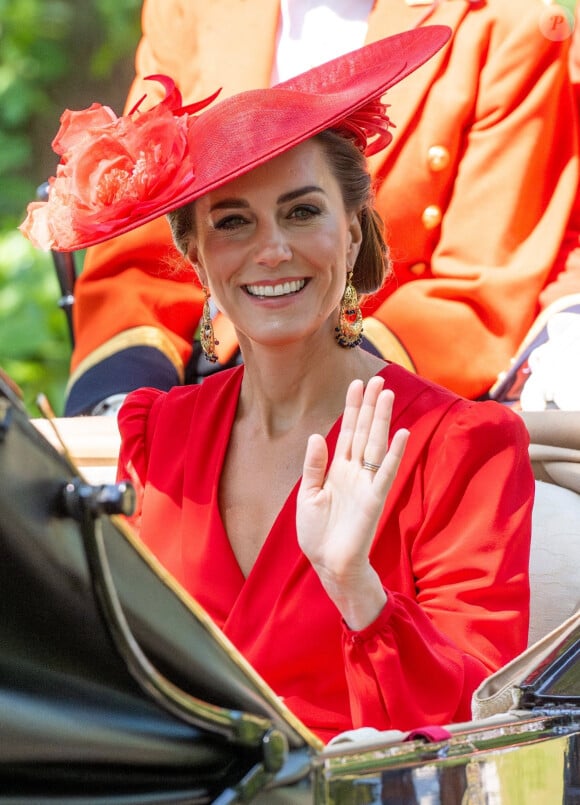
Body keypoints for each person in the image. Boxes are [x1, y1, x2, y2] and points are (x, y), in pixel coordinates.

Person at [21, 28, 535, 743]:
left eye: (302, 211)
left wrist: (357, 588)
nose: (272, 249)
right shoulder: (159, 434)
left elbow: (483, 729)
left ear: (353, 232)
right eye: (234, 222)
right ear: (197, 257)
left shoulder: (466, 450)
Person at [61, 0, 580, 416]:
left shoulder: (504, 19)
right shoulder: (192, 9)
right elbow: (148, 248)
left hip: (395, 387)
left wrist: (334, 395)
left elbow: (476, 281)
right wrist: (122, 399)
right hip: (210, 373)